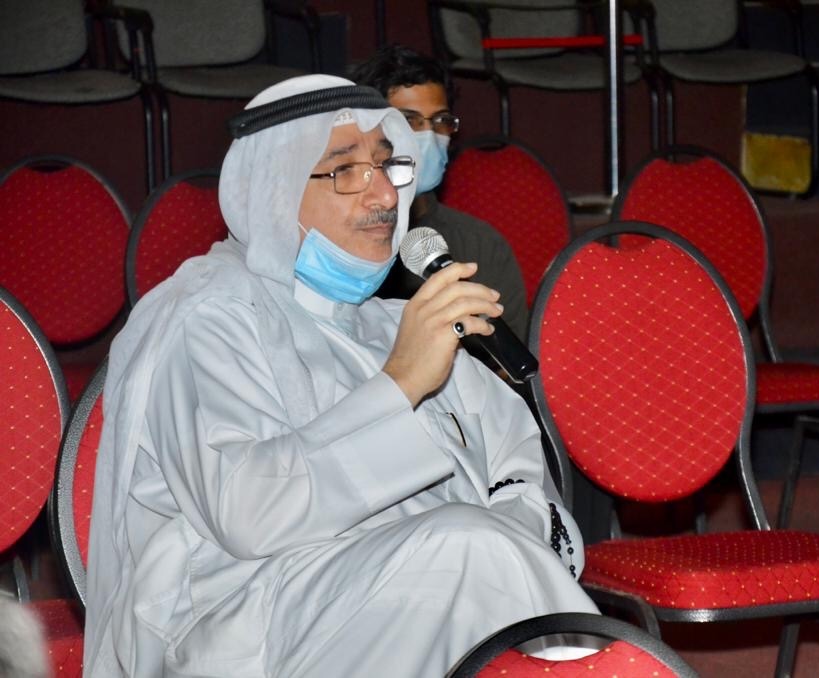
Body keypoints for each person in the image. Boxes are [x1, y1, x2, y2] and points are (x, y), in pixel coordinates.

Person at [83, 74, 596, 677]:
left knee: (477, 552)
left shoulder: (396, 320)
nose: (383, 195)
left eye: (386, 166)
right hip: (246, 621)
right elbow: (249, 513)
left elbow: (516, 465)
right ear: (274, 189)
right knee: (466, 551)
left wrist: (511, 533)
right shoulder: (205, 317)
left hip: (417, 597)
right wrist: (399, 384)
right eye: (346, 170)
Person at [352, 45, 530, 340]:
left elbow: (507, 358)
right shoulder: (345, 237)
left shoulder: (480, 245)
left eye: (440, 122)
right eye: (408, 121)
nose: (428, 136)